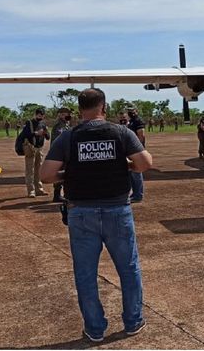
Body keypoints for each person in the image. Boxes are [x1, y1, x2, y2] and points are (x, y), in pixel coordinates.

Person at [40, 88, 152, 343]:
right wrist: (127, 165)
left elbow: (45, 176)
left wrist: (67, 175)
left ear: (79, 110)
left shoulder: (67, 138)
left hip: (81, 212)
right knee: (129, 268)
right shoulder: (121, 132)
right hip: (117, 210)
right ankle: (133, 321)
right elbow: (144, 163)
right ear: (104, 107)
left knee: (86, 273)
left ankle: (95, 328)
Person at [21, 108, 50, 198]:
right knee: (30, 170)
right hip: (31, 148)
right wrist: (36, 133)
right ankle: (31, 191)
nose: (40, 116)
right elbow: (25, 135)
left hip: (40, 148)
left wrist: (45, 132)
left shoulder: (43, 124)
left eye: (41, 115)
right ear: (35, 114)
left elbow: (48, 137)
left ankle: (39, 189)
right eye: (38, 115)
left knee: (38, 170)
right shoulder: (29, 123)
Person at [51, 107, 72, 203]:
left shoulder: (66, 124)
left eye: (67, 114)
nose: (66, 116)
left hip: (65, 152)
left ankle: (63, 194)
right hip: (59, 152)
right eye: (63, 114)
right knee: (60, 173)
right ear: (59, 115)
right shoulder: (58, 125)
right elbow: (59, 138)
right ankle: (57, 194)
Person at [127, 106, 146, 203]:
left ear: (136, 111)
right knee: (131, 172)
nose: (131, 112)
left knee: (136, 172)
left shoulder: (138, 121)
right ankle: (134, 194)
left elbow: (141, 135)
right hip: (130, 151)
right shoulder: (131, 121)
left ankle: (138, 195)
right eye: (129, 111)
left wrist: (137, 148)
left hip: (136, 151)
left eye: (132, 110)